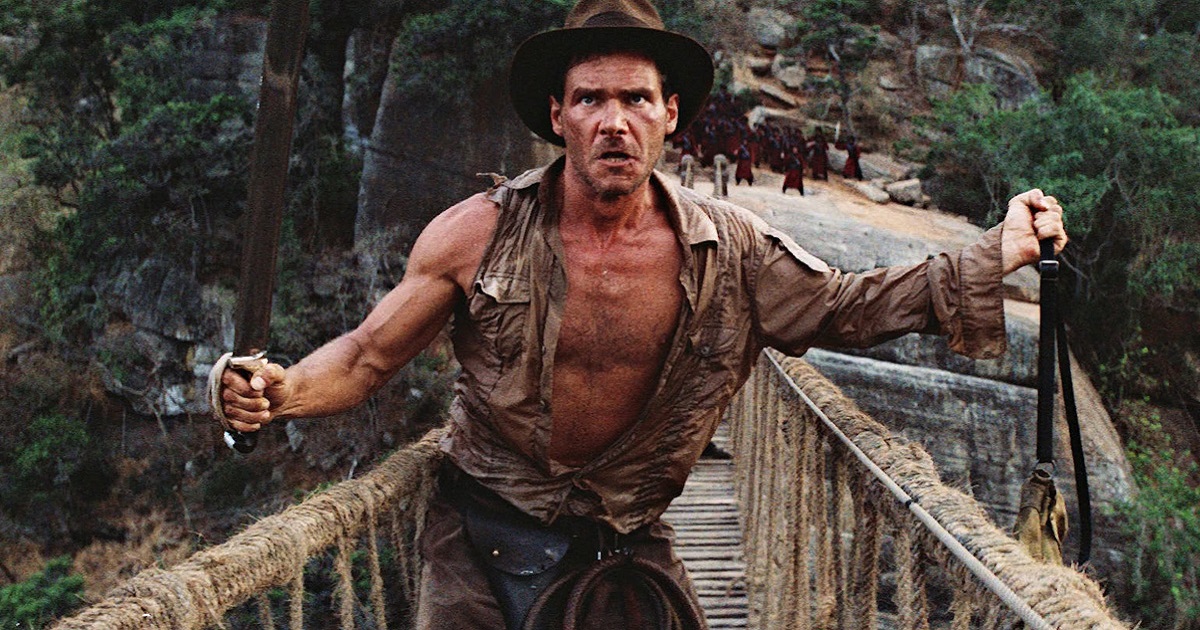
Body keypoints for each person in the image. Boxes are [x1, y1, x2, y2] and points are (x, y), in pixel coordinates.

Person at [214, 0, 1067, 628]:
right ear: (558, 117)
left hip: (622, 543)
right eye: (590, 99)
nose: (612, 122)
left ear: (671, 115)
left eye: (635, 99)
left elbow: (846, 308)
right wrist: (278, 393)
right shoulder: (477, 234)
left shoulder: (730, 253)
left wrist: (991, 255)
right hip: (477, 537)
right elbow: (368, 356)